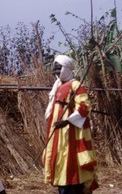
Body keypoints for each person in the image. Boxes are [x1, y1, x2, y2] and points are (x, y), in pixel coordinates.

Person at [43, 55, 98, 194]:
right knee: (58, 158)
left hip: (71, 132)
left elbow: (84, 107)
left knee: (71, 160)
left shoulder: (76, 85)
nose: (56, 72)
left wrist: (67, 121)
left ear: (66, 68)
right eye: (54, 70)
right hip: (57, 132)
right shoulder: (57, 86)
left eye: (58, 69)